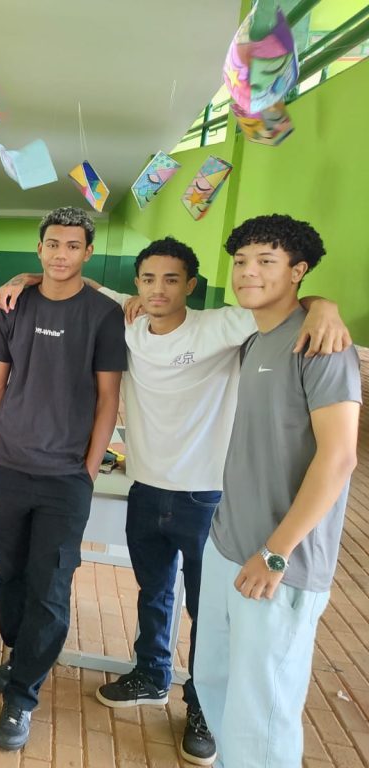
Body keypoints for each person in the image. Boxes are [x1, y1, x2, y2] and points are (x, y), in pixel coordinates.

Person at [0, 237, 352, 765]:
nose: (157, 289)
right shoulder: (129, 318)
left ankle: (201, 708)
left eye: (171, 279)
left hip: (205, 496)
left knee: (207, 610)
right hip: (146, 486)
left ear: (191, 285)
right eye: (147, 279)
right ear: (137, 285)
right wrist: (23, 278)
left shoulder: (224, 325)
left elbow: (283, 306)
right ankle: (151, 674)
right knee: (154, 592)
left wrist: (325, 305)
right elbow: (75, 280)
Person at [193, 215, 360, 766]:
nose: (248, 272)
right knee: (214, 681)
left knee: (261, 714)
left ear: (297, 271)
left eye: (267, 261)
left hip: (279, 561)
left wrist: (275, 552)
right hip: (228, 546)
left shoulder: (323, 346)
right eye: (241, 261)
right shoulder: (258, 339)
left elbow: (339, 458)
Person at [0, 207, 127, 751]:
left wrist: (88, 469)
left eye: (73, 246)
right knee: (9, 573)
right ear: (39, 249)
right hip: (9, 466)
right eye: (53, 244)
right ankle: (24, 654)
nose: (62, 254)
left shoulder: (103, 314)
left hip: (65, 477)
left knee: (51, 584)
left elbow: (108, 397)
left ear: (88, 252)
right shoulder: (13, 304)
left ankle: (23, 696)